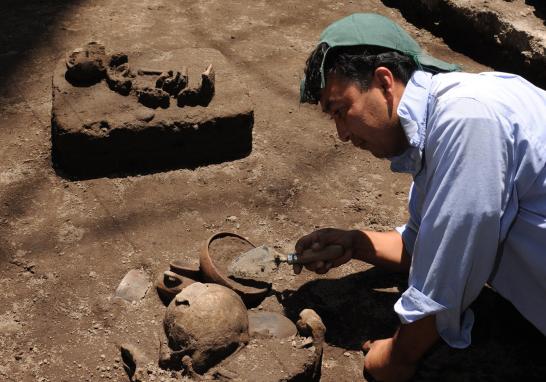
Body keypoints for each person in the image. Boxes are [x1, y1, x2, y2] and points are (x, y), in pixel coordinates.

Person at [296, 13, 546, 382]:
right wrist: (355, 243)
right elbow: (423, 244)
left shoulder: (467, 120)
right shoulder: (444, 117)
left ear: (383, 81)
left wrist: (397, 356)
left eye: (341, 110)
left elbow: (451, 263)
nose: (342, 134)